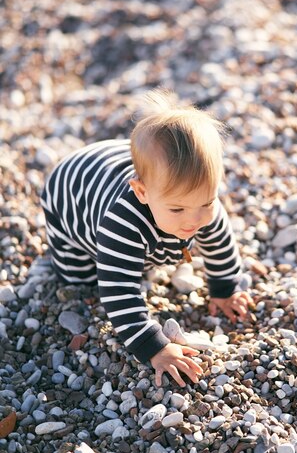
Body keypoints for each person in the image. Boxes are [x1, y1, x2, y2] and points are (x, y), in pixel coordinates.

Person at [41, 88, 253, 387]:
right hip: (71, 192)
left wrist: (224, 286)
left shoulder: (200, 203)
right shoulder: (123, 222)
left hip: (116, 168)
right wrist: (155, 347)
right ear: (142, 192)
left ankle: (155, 242)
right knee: (80, 281)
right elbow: (118, 292)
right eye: (178, 208)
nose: (194, 219)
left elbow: (220, 243)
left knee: (160, 246)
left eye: (206, 202)